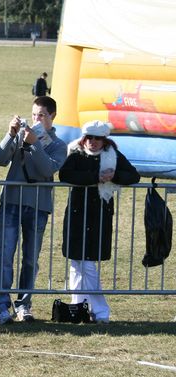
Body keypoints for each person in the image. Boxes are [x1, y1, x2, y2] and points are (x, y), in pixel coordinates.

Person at [0, 96, 67, 324]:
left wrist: (34, 144)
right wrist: (10, 135)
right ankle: (0, 306)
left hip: (38, 207)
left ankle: (24, 305)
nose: (36, 119)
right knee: (4, 255)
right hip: (12, 202)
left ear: (52, 116)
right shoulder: (21, 137)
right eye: (34, 115)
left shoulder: (58, 145)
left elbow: (47, 169)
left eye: (41, 115)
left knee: (30, 260)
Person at [59, 121, 140, 323]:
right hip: (78, 215)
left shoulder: (113, 156)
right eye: (89, 137)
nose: (92, 142)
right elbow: (65, 174)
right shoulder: (76, 154)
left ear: (104, 140)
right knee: (77, 263)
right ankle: (80, 308)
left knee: (86, 264)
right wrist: (95, 177)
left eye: (97, 138)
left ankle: (99, 310)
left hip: (99, 217)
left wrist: (115, 175)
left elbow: (134, 176)